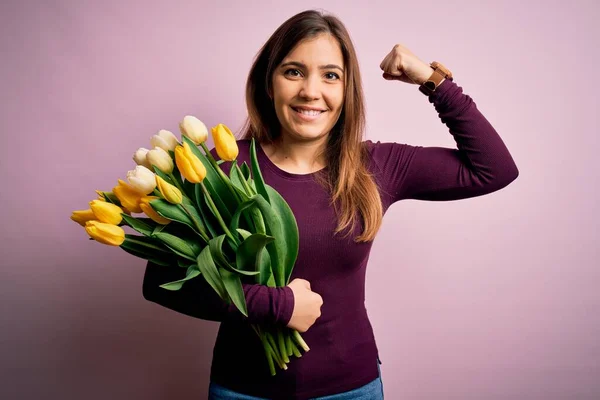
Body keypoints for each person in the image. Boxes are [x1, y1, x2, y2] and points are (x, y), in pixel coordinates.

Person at [142, 9, 519, 400]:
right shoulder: (218, 170)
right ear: (268, 85)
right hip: (243, 390)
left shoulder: (376, 166)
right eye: (293, 72)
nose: (311, 91)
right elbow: (161, 284)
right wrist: (276, 305)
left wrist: (431, 80)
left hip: (350, 390)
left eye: (330, 75)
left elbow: (494, 169)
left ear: (346, 91)